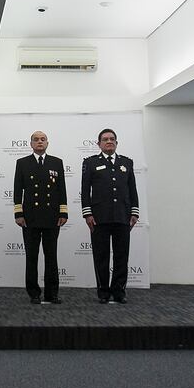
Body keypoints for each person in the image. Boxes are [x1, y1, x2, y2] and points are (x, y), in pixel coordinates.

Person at [81, 128, 138, 304]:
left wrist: (134, 212)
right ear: (99, 144)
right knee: (101, 256)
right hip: (99, 218)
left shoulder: (126, 163)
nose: (109, 141)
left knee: (121, 256)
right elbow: (85, 191)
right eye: (105, 139)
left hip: (122, 216)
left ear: (116, 143)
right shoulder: (90, 163)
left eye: (112, 139)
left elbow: (132, 189)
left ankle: (119, 291)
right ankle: (103, 291)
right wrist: (87, 214)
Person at [13, 130, 68, 304]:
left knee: (51, 257)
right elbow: (17, 190)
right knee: (32, 257)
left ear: (47, 143)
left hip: (52, 217)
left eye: (43, 139)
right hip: (30, 218)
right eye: (36, 139)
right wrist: (18, 213)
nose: (39, 142)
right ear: (31, 144)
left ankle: (52, 293)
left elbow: (61, 189)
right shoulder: (22, 163)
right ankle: (34, 293)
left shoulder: (56, 162)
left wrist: (63, 212)